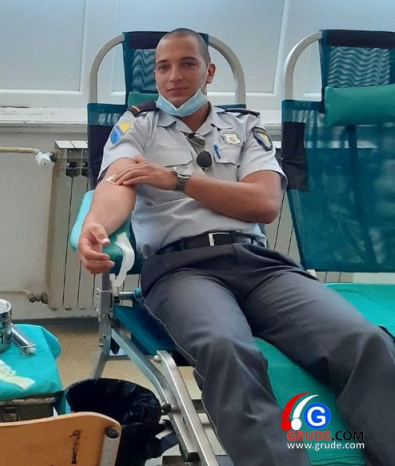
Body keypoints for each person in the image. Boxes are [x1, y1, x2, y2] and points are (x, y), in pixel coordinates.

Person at [77, 28, 395, 466]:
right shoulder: (137, 126)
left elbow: (263, 204)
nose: (173, 76)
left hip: (260, 266)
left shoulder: (244, 126)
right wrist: (94, 226)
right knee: (227, 347)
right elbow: (116, 186)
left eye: (187, 64)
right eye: (163, 67)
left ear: (208, 72)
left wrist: (177, 179)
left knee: (362, 341)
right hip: (181, 270)